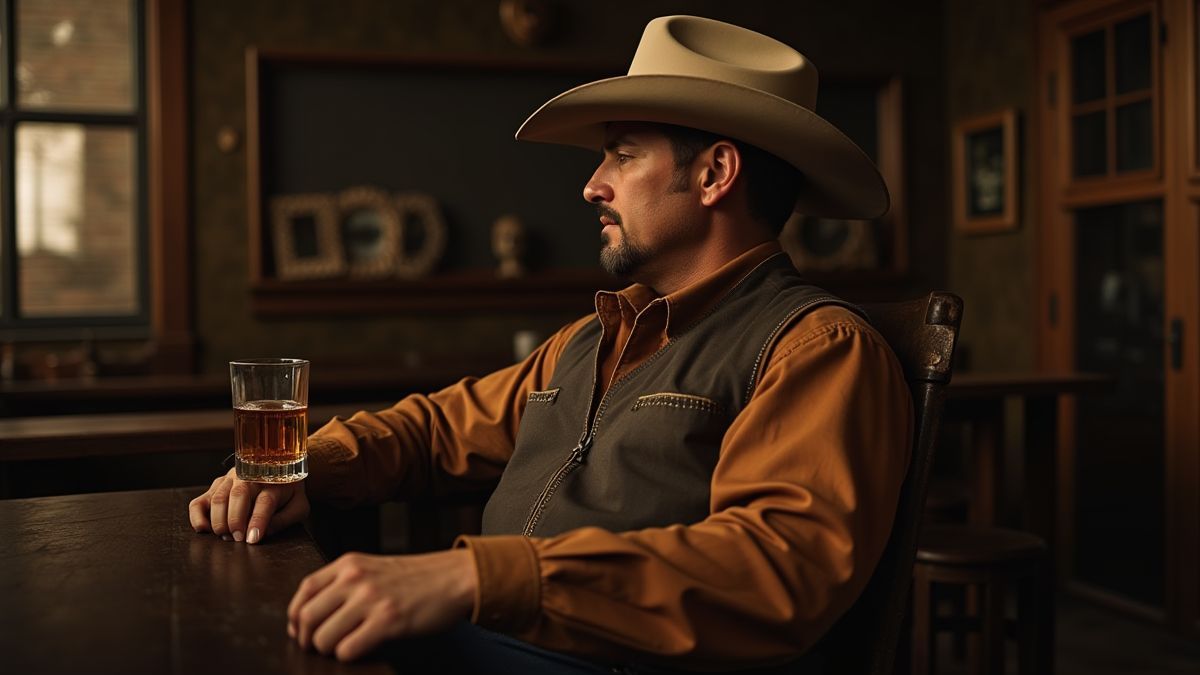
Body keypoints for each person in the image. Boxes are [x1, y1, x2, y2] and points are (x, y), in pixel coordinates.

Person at [189, 15, 912, 673]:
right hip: (500, 640)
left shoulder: (819, 347)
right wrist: (298, 467)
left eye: (622, 156)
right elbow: (436, 428)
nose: (593, 186)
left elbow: (772, 567)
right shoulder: (591, 338)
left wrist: (473, 575)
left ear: (714, 174)